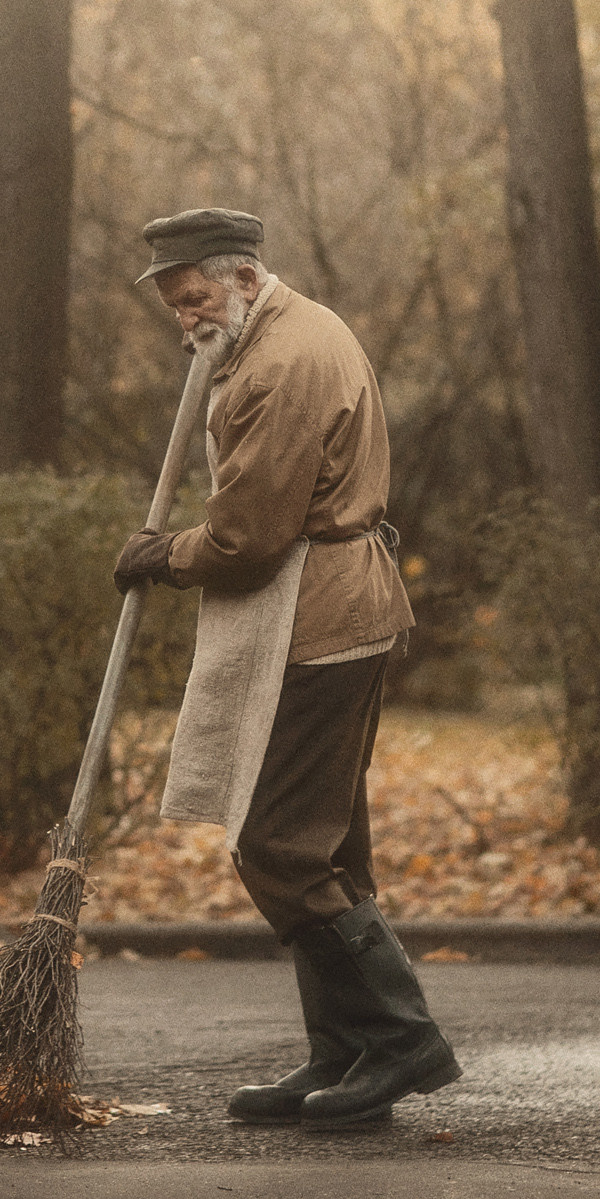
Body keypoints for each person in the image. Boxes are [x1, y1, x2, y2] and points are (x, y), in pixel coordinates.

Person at [114, 207, 460, 1127]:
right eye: (174, 304)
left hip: (320, 621)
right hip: (336, 608)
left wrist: (164, 554)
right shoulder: (286, 329)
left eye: (194, 297)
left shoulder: (279, 363)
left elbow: (248, 540)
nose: (185, 317)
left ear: (241, 276)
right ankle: (345, 1053)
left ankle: (400, 1040)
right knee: (328, 844)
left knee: (276, 845)